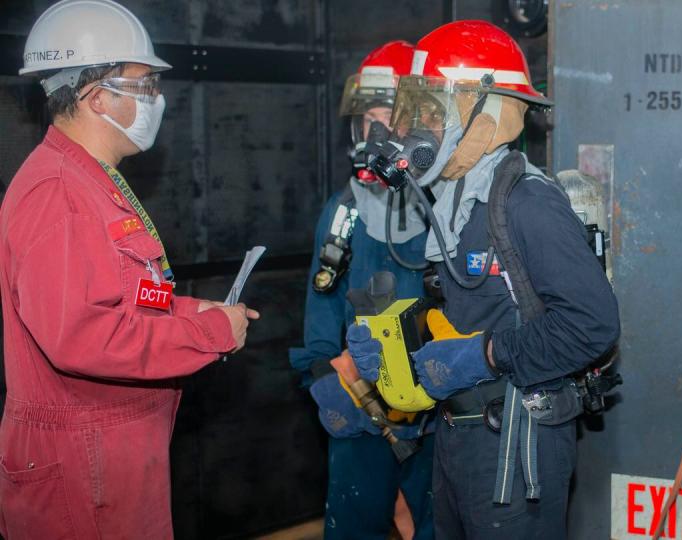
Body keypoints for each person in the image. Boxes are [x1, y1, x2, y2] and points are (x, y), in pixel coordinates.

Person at [346, 20, 620, 538]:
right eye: (416, 110)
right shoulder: (455, 203)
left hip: (518, 450)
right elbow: (465, 326)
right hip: (460, 442)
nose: (414, 128)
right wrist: (398, 367)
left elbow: (592, 325)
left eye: (431, 110)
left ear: (483, 110)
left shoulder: (526, 202)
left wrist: (488, 355)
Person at [0, 1, 259, 538]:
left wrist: (188, 307)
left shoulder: (91, 179)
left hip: (111, 452)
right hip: (83, 459)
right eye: (145, 86)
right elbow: (79, 335)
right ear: (97, 97)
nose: (157, 100)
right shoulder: (59, 193)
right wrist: (207, 333)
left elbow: (122, 295)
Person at [288, 40, 435, 540]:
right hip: (361, 410)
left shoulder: (450, 212)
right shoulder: (343, 211)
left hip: (440, 416)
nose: (375, 134)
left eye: (388, 119)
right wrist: (321, 378)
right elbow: (321, 311)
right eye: (367, 119)